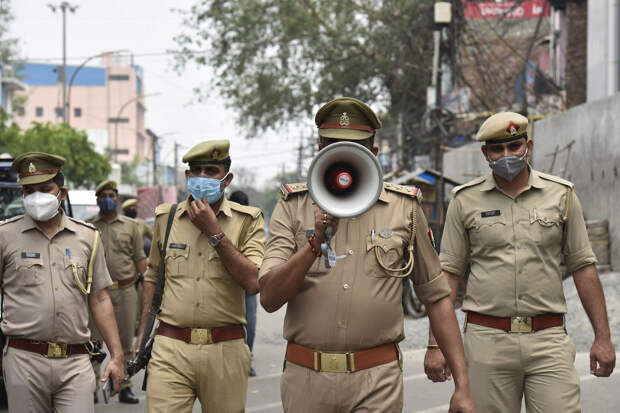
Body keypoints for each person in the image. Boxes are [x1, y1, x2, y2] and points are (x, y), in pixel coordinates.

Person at [259, 97, 474, 413]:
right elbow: (269, 297)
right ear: (319, 151)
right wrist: (313, 244)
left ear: (373, 154)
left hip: (377, 380)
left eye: (355, 148)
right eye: (333, 146)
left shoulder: (404, 209)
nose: (343, 156)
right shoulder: (292, 207)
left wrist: (463, 387)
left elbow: (437, 296)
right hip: (306, 378)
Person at [424, 112, 616, 412]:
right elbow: (448, 275)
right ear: (485, 153)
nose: (507, 155)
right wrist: (435, 345)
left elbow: (583, 267)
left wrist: (602, 338)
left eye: (514, 146)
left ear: (529, 146)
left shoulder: (561, 196)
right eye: (497, 149)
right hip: (487, 341)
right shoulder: (464, 201)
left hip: (548, 339)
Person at [135, 140, 266, 413]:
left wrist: (215, 233)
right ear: (187, 175)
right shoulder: (166, 218)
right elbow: (152, 277)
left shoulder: (248, 220)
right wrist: (141, 336)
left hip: (225, 349)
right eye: (196, 171)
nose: (202, 177)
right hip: (170, 347)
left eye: (211, 171)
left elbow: (253, 281)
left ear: (227, 179)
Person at [0, 152, 124, 412]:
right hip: (23, 360)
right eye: (30, 191)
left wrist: (117, 355)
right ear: (22, 195)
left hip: (75, 361)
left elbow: (100, 298)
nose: (37, 197)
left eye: (45, 189)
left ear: (62, 193)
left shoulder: (88, 237)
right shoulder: (5, 236)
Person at [88, 180, 147, 404]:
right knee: (93, 343)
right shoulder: (88, 226)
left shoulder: (131, 226)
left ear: (118, 199)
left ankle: (124, 386)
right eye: (103, 196)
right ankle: (92, 386)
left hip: (126, 291)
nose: (107, 199)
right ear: (97, 200)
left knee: (124, 342)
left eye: (111, 195)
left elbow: (140, 260)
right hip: (96, 293)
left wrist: (148, 290)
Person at [229, 189, 258, 377]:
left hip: (247, 285)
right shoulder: (220, 222)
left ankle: (246, 359)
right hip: (227, 284)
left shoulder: (253, 224)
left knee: (249, 325)